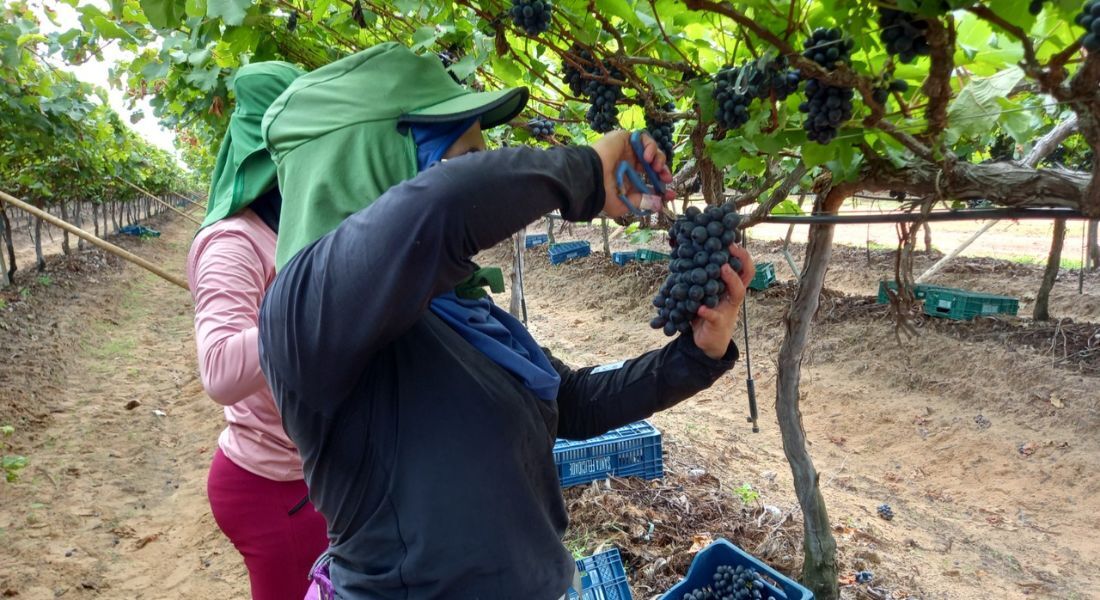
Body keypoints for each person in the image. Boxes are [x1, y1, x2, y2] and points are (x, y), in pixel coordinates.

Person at [258, 42, 755, 600]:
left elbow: (573, 401)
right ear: (375, 165)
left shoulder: (459, 308)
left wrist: (695, 355)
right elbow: (439, 210)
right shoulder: (303, 320)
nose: (486, 168)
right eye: (465, 157)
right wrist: (584, 172)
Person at [185, 61, 328, 600]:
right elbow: (220, 369)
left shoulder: (291, 227)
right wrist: (319, 311)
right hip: (274, 488)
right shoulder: (233, 243)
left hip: (306, 475)